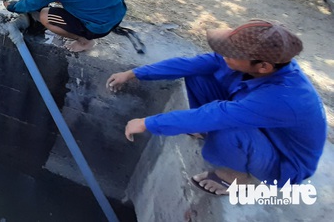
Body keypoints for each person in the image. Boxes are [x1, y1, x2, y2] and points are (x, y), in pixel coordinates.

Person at [106, 20, 326, 195]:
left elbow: (219, 114)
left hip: (284, 163)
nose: (224, 56)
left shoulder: (283, 98)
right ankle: (206, 131)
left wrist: (147, 123)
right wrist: (135, 73)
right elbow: (190, 64)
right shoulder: (266, 65)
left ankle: (235, 177)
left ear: (263, 66)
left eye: (231, 53)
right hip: (263, 128)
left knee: (230, 129)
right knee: (198, 78)